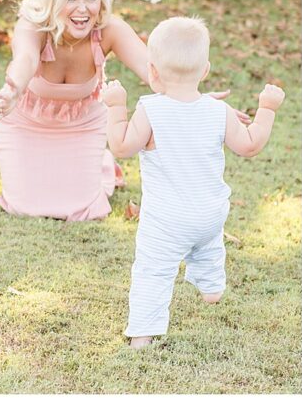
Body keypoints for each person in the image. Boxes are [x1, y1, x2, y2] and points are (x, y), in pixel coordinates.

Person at [0, 0, 246, 221]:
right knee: (23, 207)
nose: (82, 9)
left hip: (82, 123)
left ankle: (102, 167)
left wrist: (193, 99)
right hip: (26, 122)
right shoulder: (33, 25)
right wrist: (13, 90)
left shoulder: (110, 29)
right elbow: (24, 59)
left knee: (82, 210)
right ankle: (102, 166)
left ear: (102, 2)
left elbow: (151, 70)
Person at [102, 17, 284, 348]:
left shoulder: (149, 110)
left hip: (167, 221)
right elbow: (250, 145)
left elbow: (121, 146)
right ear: (205, 71)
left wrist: (115, 106)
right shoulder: (219, 110)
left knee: (153, 272)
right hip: (211, 214)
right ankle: (212, 288)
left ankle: (143, 333)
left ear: (152, 72)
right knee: (208, 246)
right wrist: (267, 109)